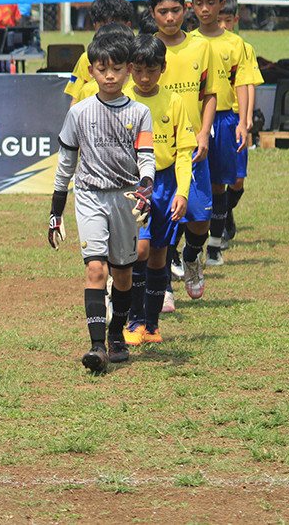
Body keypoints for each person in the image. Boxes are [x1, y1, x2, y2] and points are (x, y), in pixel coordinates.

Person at [48, 30, 155, 374]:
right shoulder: (79, 112)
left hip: (125, 198)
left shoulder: (140, 112)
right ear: (91, 71)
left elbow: (146, 155)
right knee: (96, 268)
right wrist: (56, 209)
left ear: (128, 71)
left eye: (117, 68)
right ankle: (96, 347)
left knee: (123, 274)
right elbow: (66, 163)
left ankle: (115, 334)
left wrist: (146, 184)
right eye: (102, 68)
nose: (110, 75)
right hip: (90, 196)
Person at [147, 0, 221, 301]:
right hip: (158, 150)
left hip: (194, 150)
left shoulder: (201, 47)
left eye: (176, 10)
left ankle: (191, 258)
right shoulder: (146, 49)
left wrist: (204, 133)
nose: (170, 17)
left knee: (200, 219)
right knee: (159, 221)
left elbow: (211, 94)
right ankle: (162, 284)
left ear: (185, 9)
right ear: (152, 13)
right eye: (162, 11)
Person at [122, 35, 196, 345]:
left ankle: (151, 325)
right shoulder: (123, 100)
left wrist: (182, 192)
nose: (144, 77)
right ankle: (133, 319)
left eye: (151, 70)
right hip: (134, 184)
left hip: (165, 184)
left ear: (163, 69)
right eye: (138, 70)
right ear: (129, 69)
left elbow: (183, 152)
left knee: (158, 257)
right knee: (138, 251)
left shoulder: (174, 102)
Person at [189, 0, 255, 267]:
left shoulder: (235, 44)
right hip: (193, 121)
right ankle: (190, 247)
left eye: (211, 3)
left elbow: (242, 81)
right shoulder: (187, 42)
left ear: (222, 4)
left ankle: (214, 245)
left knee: (219, 185)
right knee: (191, 184)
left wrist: (244, 121)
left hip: (226, 120)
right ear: (191, 6)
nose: (205, 9)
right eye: (199, 3)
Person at [217, 0, 264, 247]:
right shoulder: (207, 45)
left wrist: (246, 121)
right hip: (215, 118)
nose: (223, 25)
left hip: (236, 118)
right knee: (216, 177)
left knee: (237, 180)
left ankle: (226, 211)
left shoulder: (243, 48)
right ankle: (220, 222)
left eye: (227, 20)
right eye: (218, 20)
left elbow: (249, 83)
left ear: (235, 20)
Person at [65, 0, 134, 105]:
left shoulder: (137, 56)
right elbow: (76, 99)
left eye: (114, 25)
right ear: (95, 27)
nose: (109, 32)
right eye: (102, 69)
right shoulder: (87, 58)